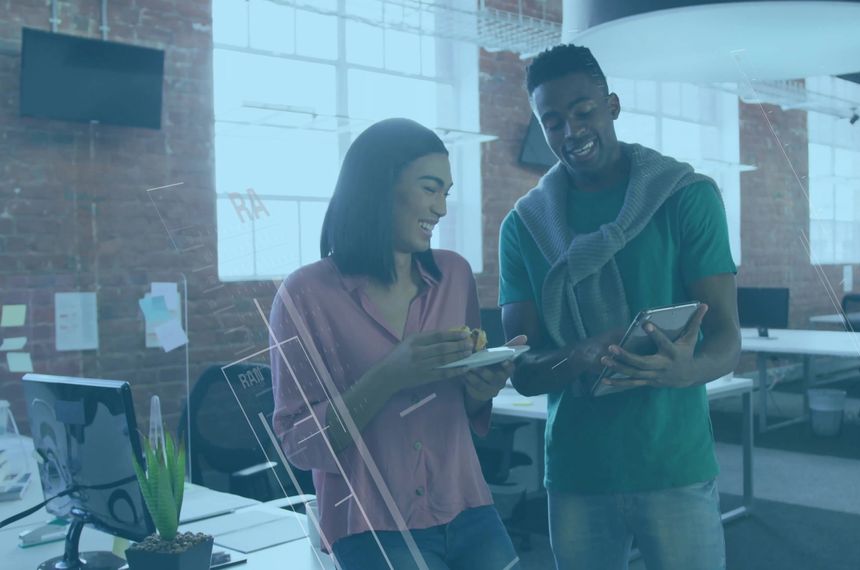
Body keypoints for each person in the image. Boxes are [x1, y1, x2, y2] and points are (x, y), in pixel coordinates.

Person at [499, 45, 742, 569]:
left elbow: (726, 339)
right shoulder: (524, 227)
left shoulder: (686, 197)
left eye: (584, 112)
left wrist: (686, 371)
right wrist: (585, 353)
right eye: (554, 121)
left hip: (674, 462)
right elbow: (522, 371)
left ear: (612, 105)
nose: (571, 132)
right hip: (578, 472)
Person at [270, 118, 521, 570]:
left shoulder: (454, 276)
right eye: (430, 188)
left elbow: (458, 400)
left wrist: (481, 387)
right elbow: (298, 442)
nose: (441, 208)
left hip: (468, 505)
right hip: (370, 525)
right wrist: (390, 375)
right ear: (378, 188)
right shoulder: (304, 294)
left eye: (446, 191)